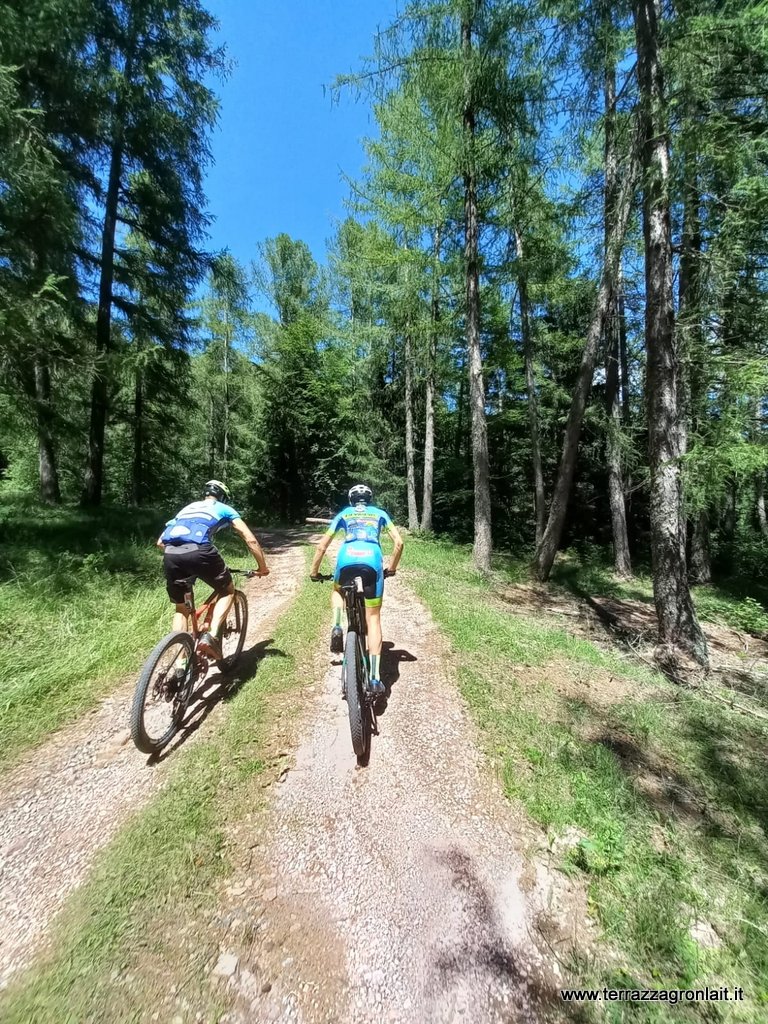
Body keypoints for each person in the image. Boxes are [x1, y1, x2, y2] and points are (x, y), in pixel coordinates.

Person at [157, 480, 269, 660]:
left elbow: (160, 542)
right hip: (200, 551)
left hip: (171, 553)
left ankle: (180, 664)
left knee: (181, 609)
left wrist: (183, 558)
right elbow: (250, 539)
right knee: (227, 590)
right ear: (223, 497)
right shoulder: (224, 508)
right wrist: (262, 567)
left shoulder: (187, 508)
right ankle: (212, 637)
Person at [309, 483, 404, 694]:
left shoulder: (344, 514)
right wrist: (392, 568)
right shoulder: (380, 514)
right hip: (371, 561)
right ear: (370, 499)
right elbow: (399, 543)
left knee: (337, 590)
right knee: (373, 619)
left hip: (346, 558)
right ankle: (374, 678)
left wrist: (314, 572)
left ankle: (336, 626)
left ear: (351, 499)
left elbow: (321, 545)